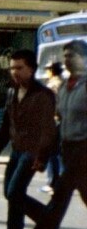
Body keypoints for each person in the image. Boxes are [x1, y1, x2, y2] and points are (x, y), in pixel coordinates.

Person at [0, 49, 58, 229]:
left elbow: (48, 130)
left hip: (33, 151)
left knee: (14, 191)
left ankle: (45, 219)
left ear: (31, 69)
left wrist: (42, 157)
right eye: (12, 68)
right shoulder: (11, 92)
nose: (14, 72)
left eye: (19, 68)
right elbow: (5, 126)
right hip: (17, 150)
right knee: (11, 194)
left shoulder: (43, 95)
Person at [23, 41, 87, 229]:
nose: (68, 59)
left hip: (84, 148)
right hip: (69, 148)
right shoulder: (64, 87)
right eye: (65, 55)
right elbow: (58, 120)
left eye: (73, 55)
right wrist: (44, 153)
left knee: (60, 192)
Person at [41, 62, 65, 194]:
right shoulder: (65, 83)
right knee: (59, 153)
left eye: (48, 70)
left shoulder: (52, 85)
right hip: (64, 121)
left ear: (52, 71)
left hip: (54, 121)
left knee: (52, 153)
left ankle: (53, 182)